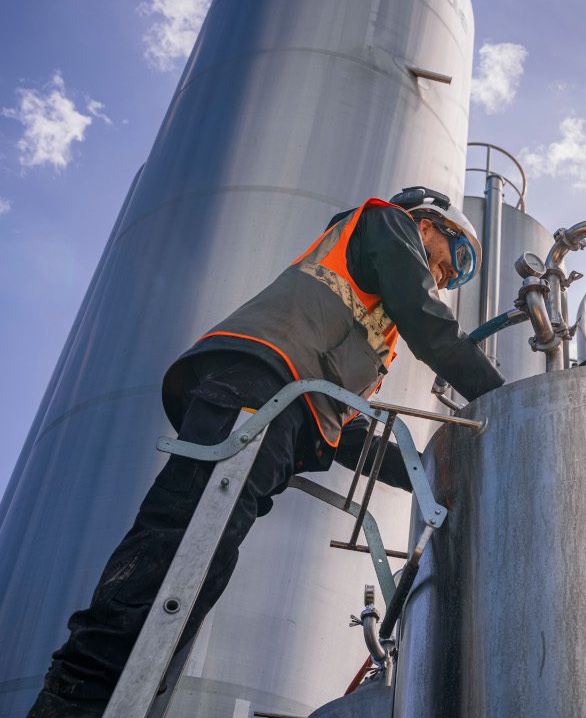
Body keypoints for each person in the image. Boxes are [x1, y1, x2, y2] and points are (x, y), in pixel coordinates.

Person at [28, 188, 504, 717]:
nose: (446, 276)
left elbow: (342, 432)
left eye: (458, 275)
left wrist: (431, 470)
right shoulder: (386, 225)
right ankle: (77, 701)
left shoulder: (370, 335)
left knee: (203, 565)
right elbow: (427, 321)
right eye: (453, 258)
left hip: (282, 404)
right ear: (427, 223)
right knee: (178, 548)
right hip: (257, 381)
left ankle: (124, 699)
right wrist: (502, 402)